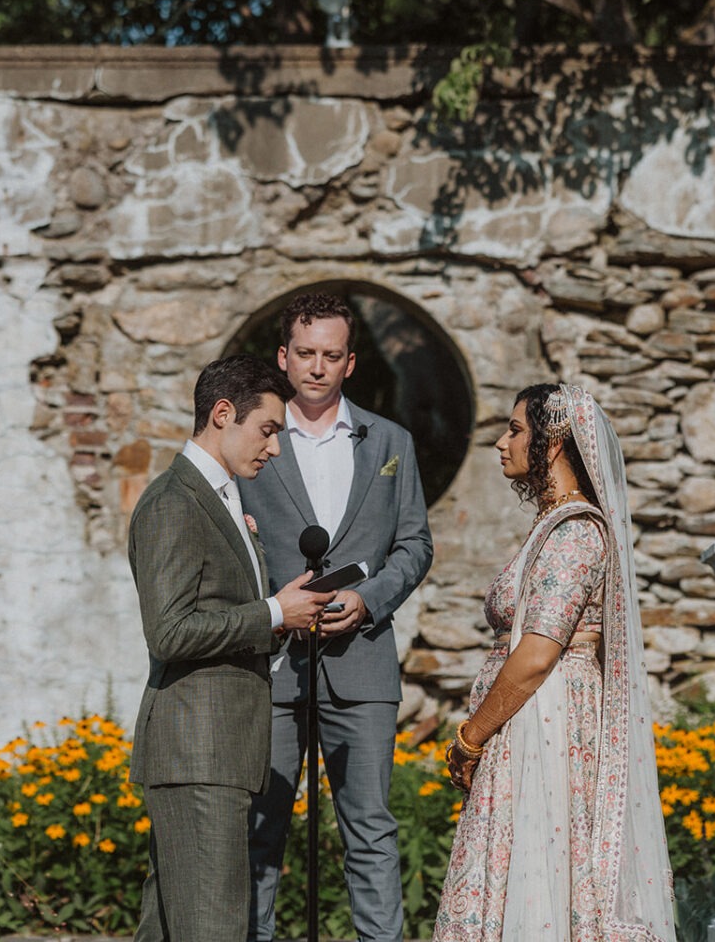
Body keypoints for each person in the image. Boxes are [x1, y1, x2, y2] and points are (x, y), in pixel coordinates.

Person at [435, 383, 676, 942]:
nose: (502, 442)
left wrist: (470, 738)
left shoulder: (575, 533)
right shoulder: (553, 525)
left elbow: (540, 652)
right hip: (529, 722)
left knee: (542, 870)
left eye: (516, 430)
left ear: (555, 442)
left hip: (547, 724)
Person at [239, 293, 434, 942]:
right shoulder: (253, 441)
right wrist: (272, 608)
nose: (317, 367)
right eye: (305, 354)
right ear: (282, 357)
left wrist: (371, 598)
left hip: (364, 663)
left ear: (351, 362)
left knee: (371, 828)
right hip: (273, 664)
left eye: (331, 355)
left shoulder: (392, 442)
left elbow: (415, 545)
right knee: (261, 828)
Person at [128, 354, 340, 942]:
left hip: (214, 753)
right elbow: (168, 632)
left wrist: (282, 616)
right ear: (224, 414)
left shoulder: (218, 498)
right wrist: (273, 611)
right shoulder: (174, 501)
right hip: (199, 752)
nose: (274, 449)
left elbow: (217, 615)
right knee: (212, 928)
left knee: (172, 929)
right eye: (268, 430)